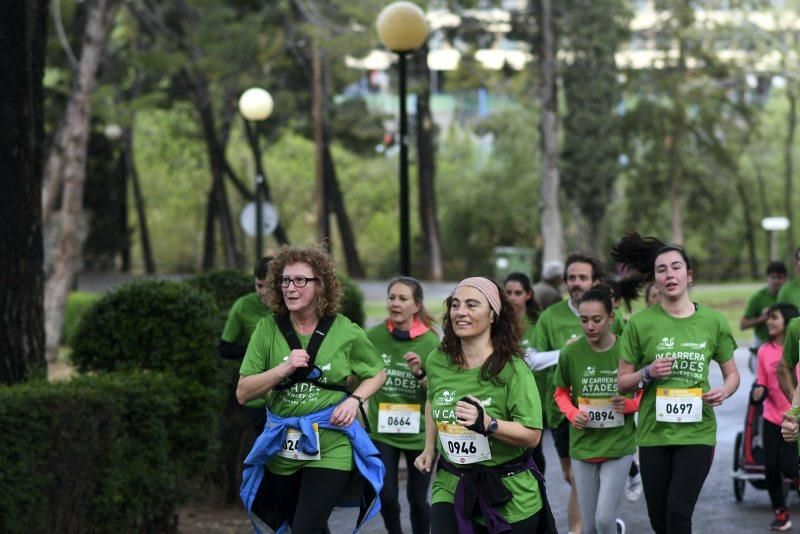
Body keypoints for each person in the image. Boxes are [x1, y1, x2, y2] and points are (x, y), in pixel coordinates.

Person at [236, 244, 387, 533]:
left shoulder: (345, 330)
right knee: (304, 526)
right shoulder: (267, 330)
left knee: (305, 528)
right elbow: (243, 392)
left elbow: (376, 373)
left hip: (332, 442)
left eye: (301, 280)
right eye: (285, 280)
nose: (291, 287)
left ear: (321, 286)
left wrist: (355, 400)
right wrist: (283, 368)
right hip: (283, 444)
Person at [614, 232, 740, 534]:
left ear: (689, 275)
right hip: (654, 434)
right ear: (655, 280)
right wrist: (648, 373)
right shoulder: (641, 324)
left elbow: (732, 374)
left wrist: (724, 390)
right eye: (662, 270)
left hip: (697, 432)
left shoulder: (713, 321)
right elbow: (622, 383)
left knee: (678, 515)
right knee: (659, 520)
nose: (669, 274)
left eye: (676, 267)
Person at [414, 277, 555, 533]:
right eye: (455, 305)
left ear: (492, 314)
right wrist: (429, 448)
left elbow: (532, 435)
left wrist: (488, 423)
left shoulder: (514, 369)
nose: (460, 312)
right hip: (452, 483)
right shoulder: (437, 359)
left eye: (471, 305)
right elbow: (432, 399)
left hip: (509, 494)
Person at [526, 253, 622, 534]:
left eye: (582, 277)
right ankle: (600, 520)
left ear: (595, 281)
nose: (576, 283)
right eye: (571, 277)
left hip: (604, 412)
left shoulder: (610, 315)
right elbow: (531, 359)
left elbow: (627, 356)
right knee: (572, 476)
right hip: (561, 412)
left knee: (584, 480)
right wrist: (567, 352)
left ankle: (584, 527)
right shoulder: (550, 316)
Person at [554, 286, 638, 534]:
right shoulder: (571, 353)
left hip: (618, 445)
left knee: (603, 520)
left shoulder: (627, 350)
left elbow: (645, 390)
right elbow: (560, 393)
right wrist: (572, 413)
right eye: (584, 320)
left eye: (596, 319)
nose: (589, 326)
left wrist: (631, 405)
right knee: (589, 527)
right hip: (583, 448)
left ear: (611, 318)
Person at [366, 277, 440, 534]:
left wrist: (420, 372)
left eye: (402, 299)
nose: (395, 303)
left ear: (416, 305)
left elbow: (439, 393)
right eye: (392, 298)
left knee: (417, 500)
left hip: (420, 433)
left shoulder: (430, 342)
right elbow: (356, 373)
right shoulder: (373, 336)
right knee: (386, 496)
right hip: (382, 431)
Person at [752, 303, 800, 531]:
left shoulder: (796, 347)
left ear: (788, 322)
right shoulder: (764, 351)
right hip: (772, 417)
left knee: (790, 467)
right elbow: (762, 381)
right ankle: (780, 512)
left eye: (774, 318)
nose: (769, 322)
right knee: (770, 466)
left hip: (796, 420)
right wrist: (758, 391)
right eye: (769, 317)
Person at [219, 256, 273, 432]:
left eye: (268, 286)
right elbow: (225, 349)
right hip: (257, 397)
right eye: (259, 285)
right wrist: (254, 349)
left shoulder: (292, 304)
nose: (263, 291)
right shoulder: (243, 306)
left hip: (289, 394)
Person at [504, 272, 546, 474]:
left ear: (528, 294)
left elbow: (543, 358)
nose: (512, 297)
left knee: (534, 449)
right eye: (508, 292)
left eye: (518, 292)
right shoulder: (498, 323)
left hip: (535, 396)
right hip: (505, 395)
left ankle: (538, 488)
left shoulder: (538, 323)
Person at [741, 261, 788, 371]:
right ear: (767, 278)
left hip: (784, 344)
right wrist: (762, 318)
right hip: (761, 344)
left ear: (785, 278)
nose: (776, 281)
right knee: (760, 383)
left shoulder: (789, 295)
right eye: (773, 277)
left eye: (780, 277)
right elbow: (743, 324)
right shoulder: (758, 298)